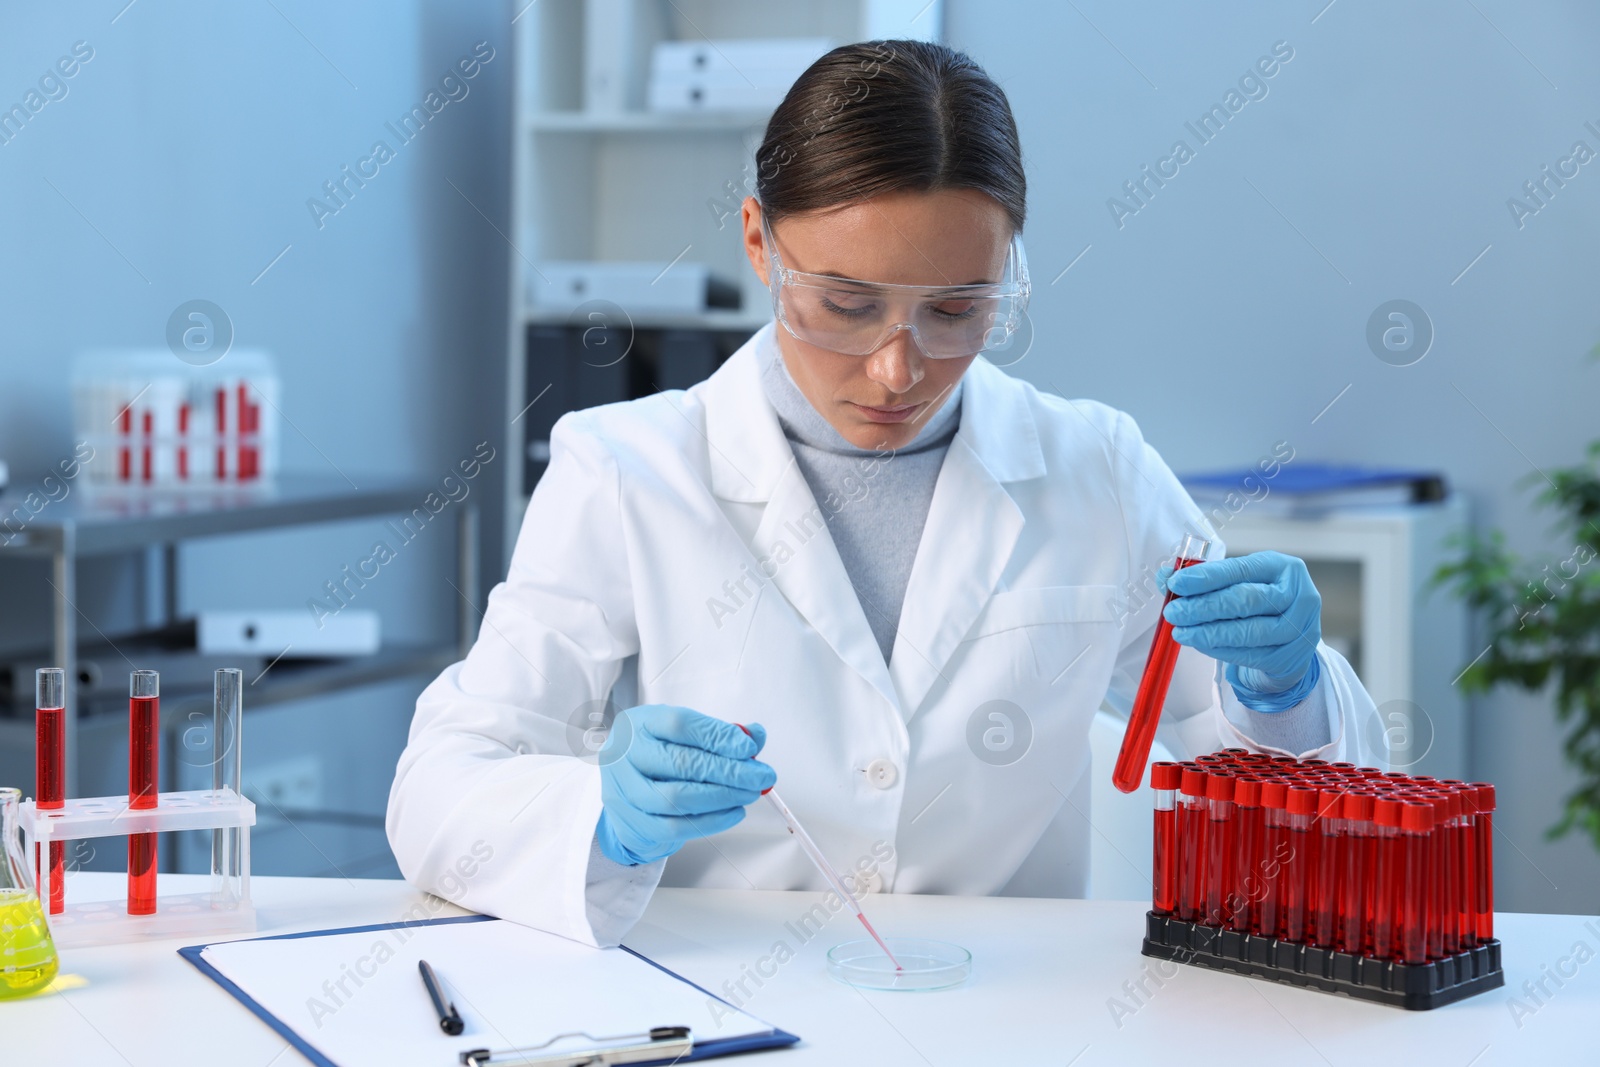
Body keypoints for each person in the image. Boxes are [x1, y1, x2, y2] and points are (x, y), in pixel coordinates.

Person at [386, 39, 1377, 948]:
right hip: (720, 1005)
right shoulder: (625, 466)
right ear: (758, 245)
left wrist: (1287, 690)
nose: (897, 367)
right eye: (845, 305)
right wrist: (597, 812)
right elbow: (437, 790)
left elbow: (1316, 810)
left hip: (1011, 1015)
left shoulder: (1096, 467)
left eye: (956, 310)